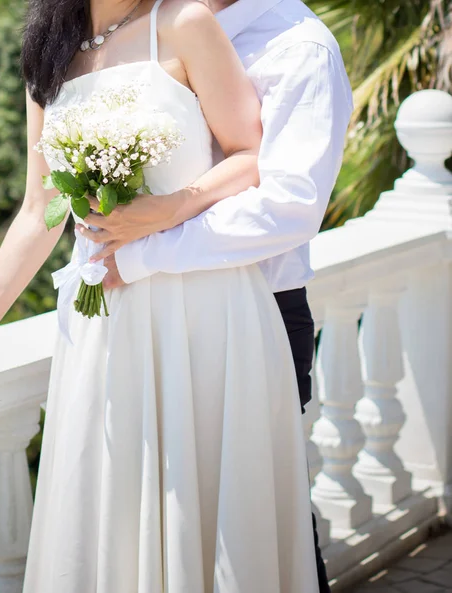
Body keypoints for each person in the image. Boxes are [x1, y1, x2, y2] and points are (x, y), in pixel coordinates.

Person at [0, 0, 345, 590]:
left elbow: (253, 158)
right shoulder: (47, 49)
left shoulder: (188, 24)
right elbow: (41, 208)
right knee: (113, 502)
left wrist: (174, 205)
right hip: (104, 320)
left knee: (218, 509)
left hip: (202, 310)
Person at [76, 1, 353, 590]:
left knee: (257, 524)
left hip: (258, 312)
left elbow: (287, 208)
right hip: (150, 319)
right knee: (164, 515)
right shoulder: (146, 25)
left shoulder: (298, 45)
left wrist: (143, 252)